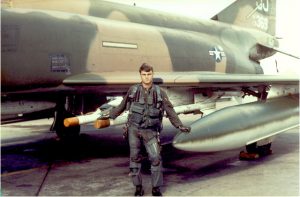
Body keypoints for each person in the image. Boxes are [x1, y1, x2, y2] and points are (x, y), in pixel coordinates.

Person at [104, 63, 190, 196]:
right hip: (134, 130)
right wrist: (110, 115)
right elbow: (122, 106)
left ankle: (156, 188)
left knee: (155, 158)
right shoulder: (133, 90)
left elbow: (170, 110)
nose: (146, 77)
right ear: (140, 75)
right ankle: (138, 187)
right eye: (144, 75)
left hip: (150, 131)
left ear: (152, 74)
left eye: (149, 74)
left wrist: (179, 125)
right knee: (134, 159)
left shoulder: (160, 92)